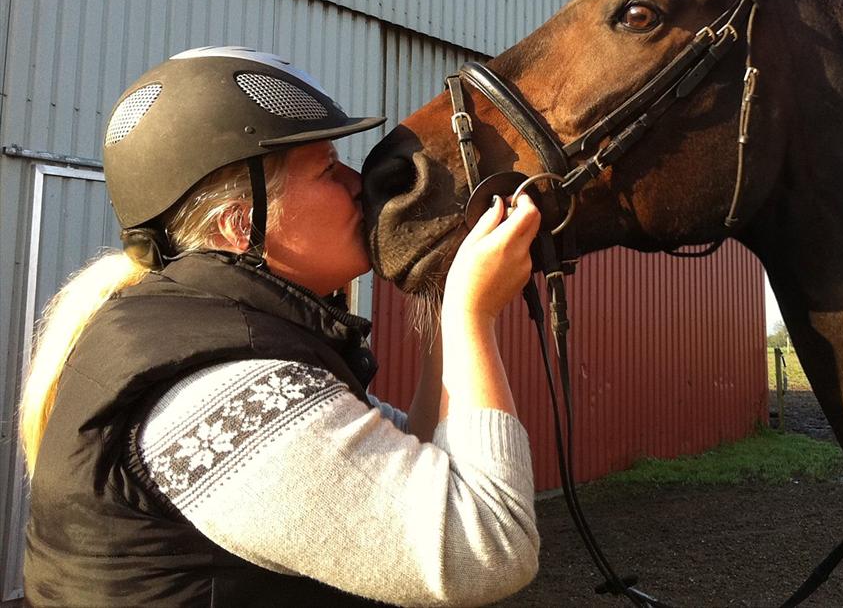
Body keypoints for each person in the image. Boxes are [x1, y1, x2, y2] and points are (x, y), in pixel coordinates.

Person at [19, 47, 542, 607]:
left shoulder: (209, 336)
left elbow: (414, 457)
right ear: (241, 224)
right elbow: (487, 551)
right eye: (325, 168)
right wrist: (473, 315)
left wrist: (446, 301)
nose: (355, 183)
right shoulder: (218, 393)